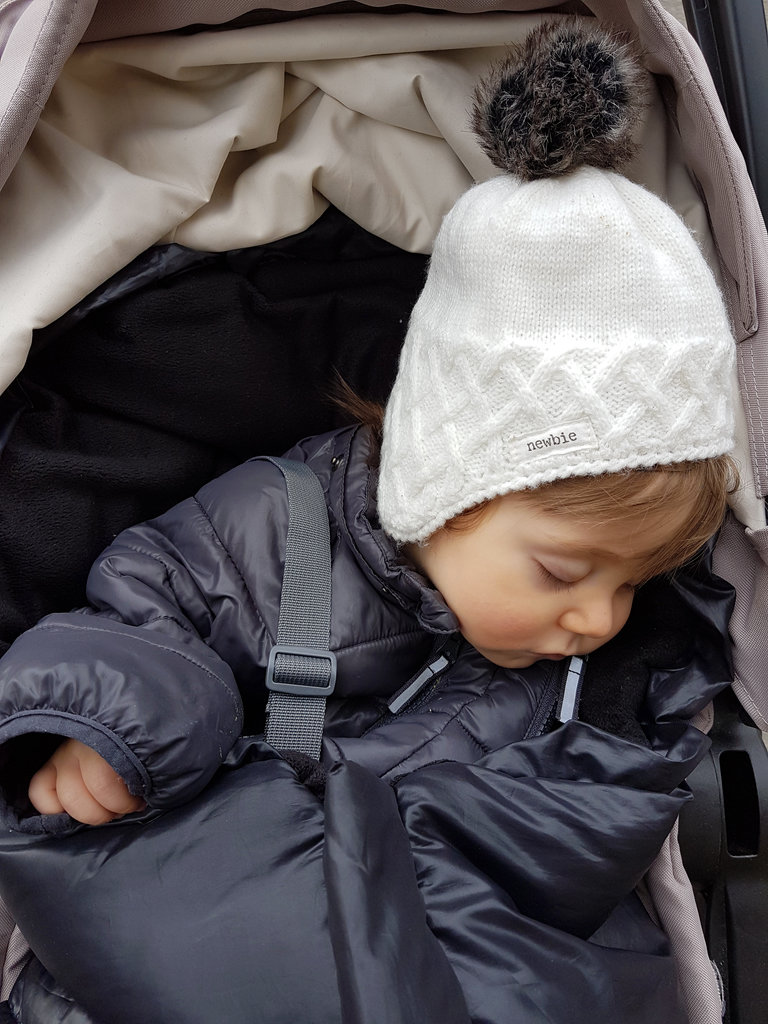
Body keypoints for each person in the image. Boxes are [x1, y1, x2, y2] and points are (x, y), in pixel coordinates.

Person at [0, 18, 740, 1024]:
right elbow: (147, 600)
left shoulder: (590, 673)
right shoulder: (280, 526)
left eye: (630, 581)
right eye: (568, 573)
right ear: (443, 480)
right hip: (236, 890)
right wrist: (118, 727)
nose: (602, 619)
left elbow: (569, 848)